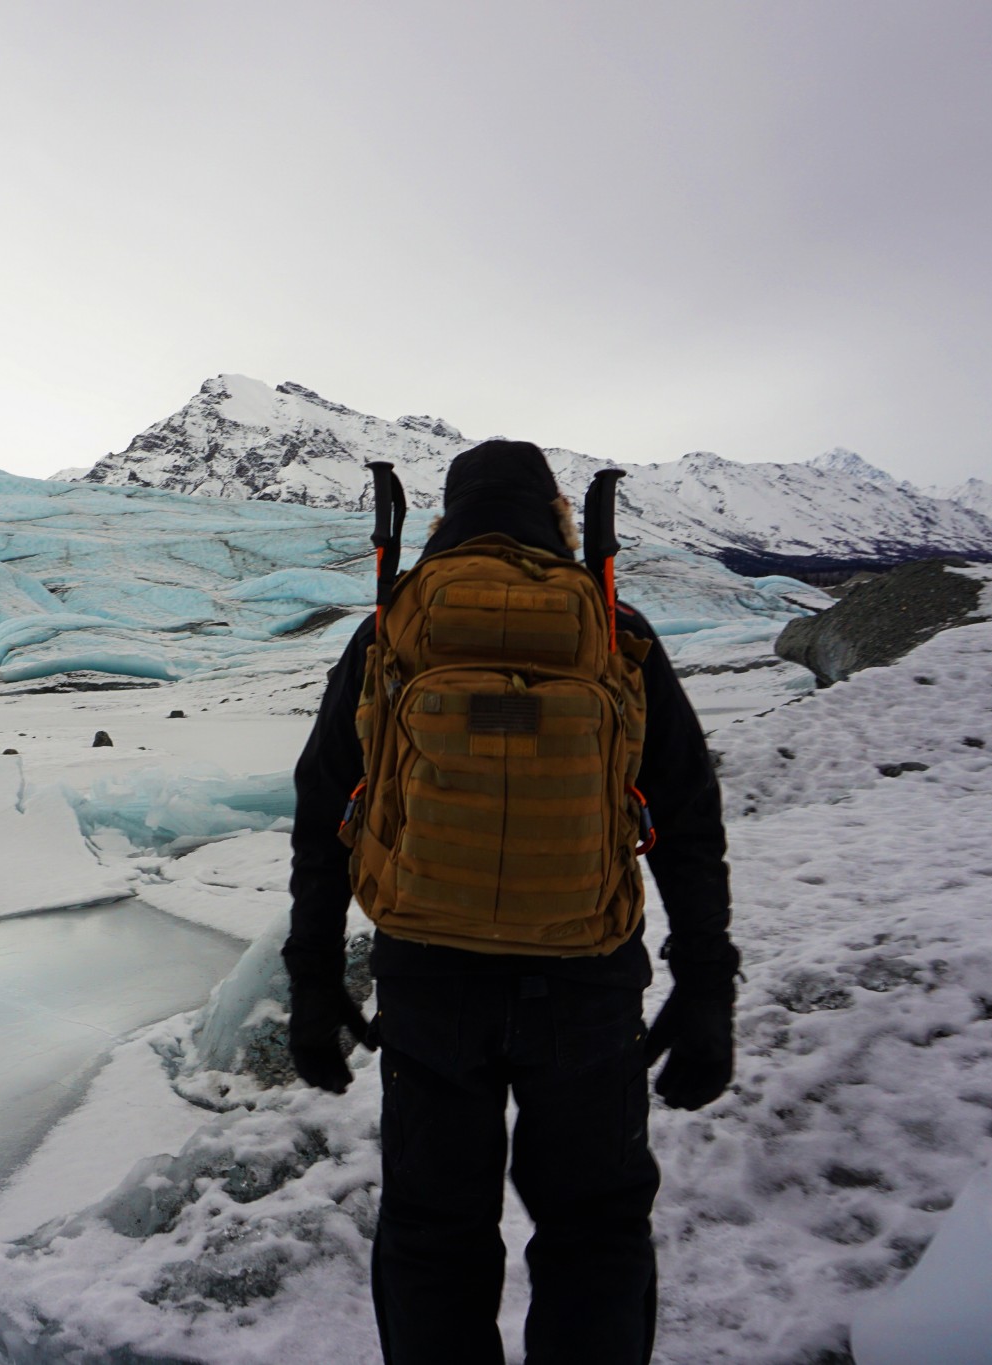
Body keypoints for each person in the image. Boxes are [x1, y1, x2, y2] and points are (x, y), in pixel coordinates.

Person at [284, 439, 739, 1364]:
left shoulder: (393, 633)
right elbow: (687, 823)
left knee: (432, 1231)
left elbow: (324, 810)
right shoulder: (613, 628)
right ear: (558, 516)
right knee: (595, 1229)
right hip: (586, 984)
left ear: (447, 518)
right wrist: (706, 987)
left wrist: (314, 979)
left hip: (429, 981)